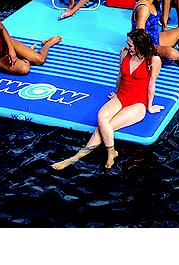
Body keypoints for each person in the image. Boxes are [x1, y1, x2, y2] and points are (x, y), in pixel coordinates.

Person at [51, 29, 163, 170]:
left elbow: (152, 84)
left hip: (138, 103)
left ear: (140, 45)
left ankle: (76, 157)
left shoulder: (153, 60)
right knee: (102, 117)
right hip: (122, 96)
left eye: (131, 45)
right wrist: (117, 93)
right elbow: (120, 76)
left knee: (102, 128)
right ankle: (111, 150)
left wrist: (150, 106)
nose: (128, 47)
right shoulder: (124, 52)